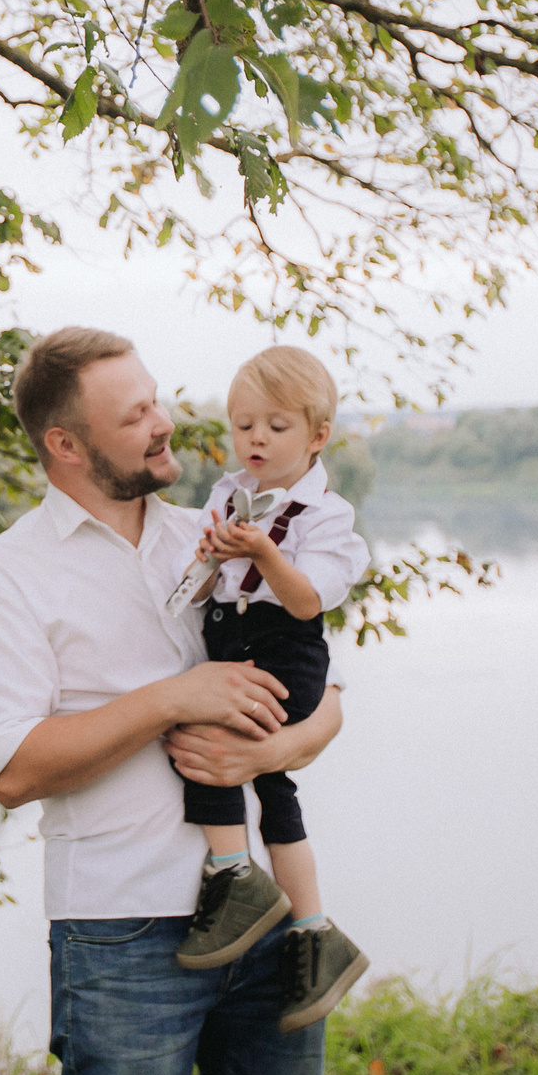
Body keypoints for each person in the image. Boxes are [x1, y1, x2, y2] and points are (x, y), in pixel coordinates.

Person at [0, 327, 347, 1075]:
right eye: (135, 414)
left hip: (274, 918)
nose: (164, 422)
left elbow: (326, 702)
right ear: (65, 442)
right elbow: (13, 769)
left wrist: (263, 754)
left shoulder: (215, 535)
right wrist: (170, 700)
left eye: (156, 400)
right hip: (124, 933)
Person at [170, 347, 371, 1033]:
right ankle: (313, 931)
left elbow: (309, 600)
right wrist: (205, 560)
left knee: (210, 741)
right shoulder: (227, 492)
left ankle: (234, 875)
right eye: (244, 423)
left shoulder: (326, 513)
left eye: (276, 426)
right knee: (276, 788)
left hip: (284, 645)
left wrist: (263, 552)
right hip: (232, 633)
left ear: (317, 435)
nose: (256, 438)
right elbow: (204, 587)